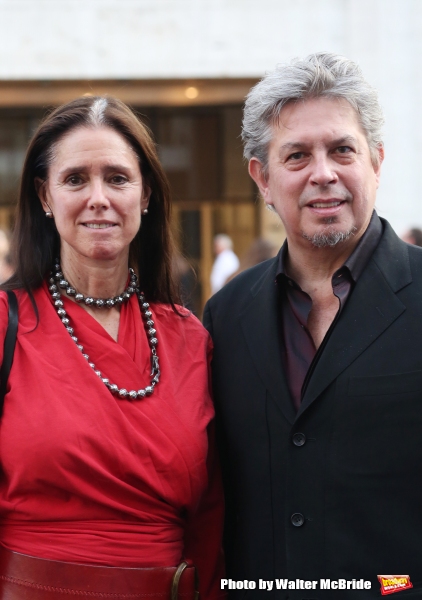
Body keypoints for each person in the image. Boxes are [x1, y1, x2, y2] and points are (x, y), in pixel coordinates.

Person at [204, 52, 422, 598]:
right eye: (297, 155)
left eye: (341, 149)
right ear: (263, 178)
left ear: (375, 160)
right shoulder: (226, 315)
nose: (323, 173)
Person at [0, 96, 224, 599]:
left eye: (118, 178)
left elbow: (211, 519)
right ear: (45, 196)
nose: (98, 197)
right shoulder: (3, 326)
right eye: (75, 179)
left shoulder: (191, 338)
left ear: (145, 195)